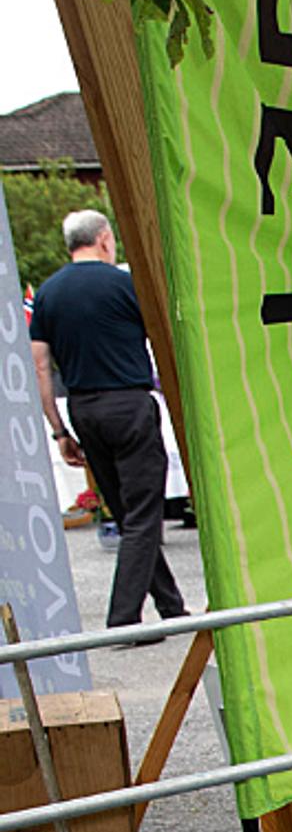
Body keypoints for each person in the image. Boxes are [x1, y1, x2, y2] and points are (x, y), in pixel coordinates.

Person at [29, 209, 189, 631]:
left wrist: (59, 430)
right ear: (103, 239)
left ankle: (171, 606)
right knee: (143, 513)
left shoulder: (47, 294)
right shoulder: (125, 285)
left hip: (83, 409)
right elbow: (163, 339)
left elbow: (40, 366)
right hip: (129, 404)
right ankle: (123, 617)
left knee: (127, 512)